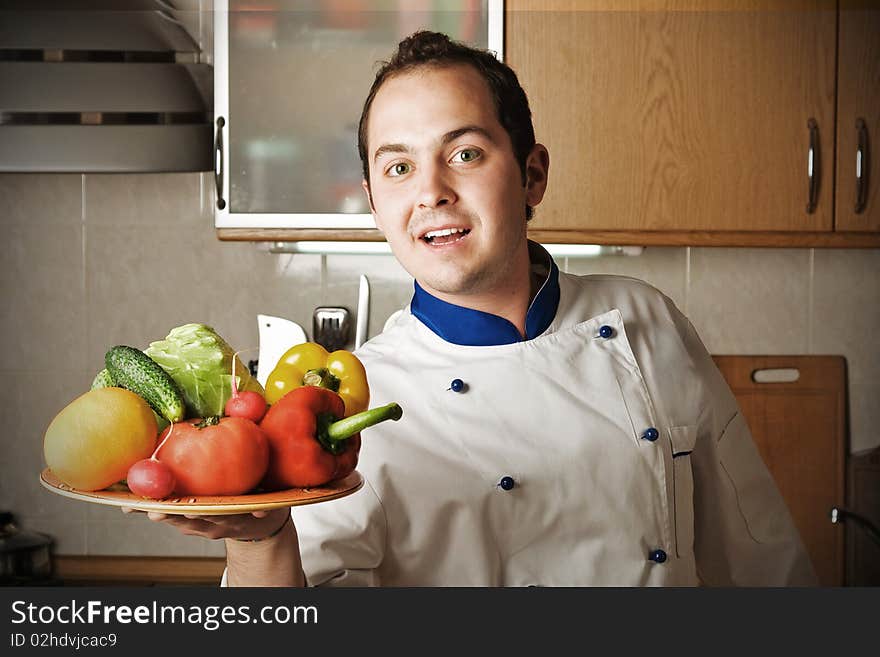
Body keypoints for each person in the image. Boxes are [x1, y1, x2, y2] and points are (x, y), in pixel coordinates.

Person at [141, 30, 817, 587]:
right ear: (376, 206)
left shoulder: (644, 319)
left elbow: (757, 549)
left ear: (532, 175)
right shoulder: (348, 404)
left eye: (464, 153)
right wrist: (259, 541)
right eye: (398, 167)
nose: (431, 191)